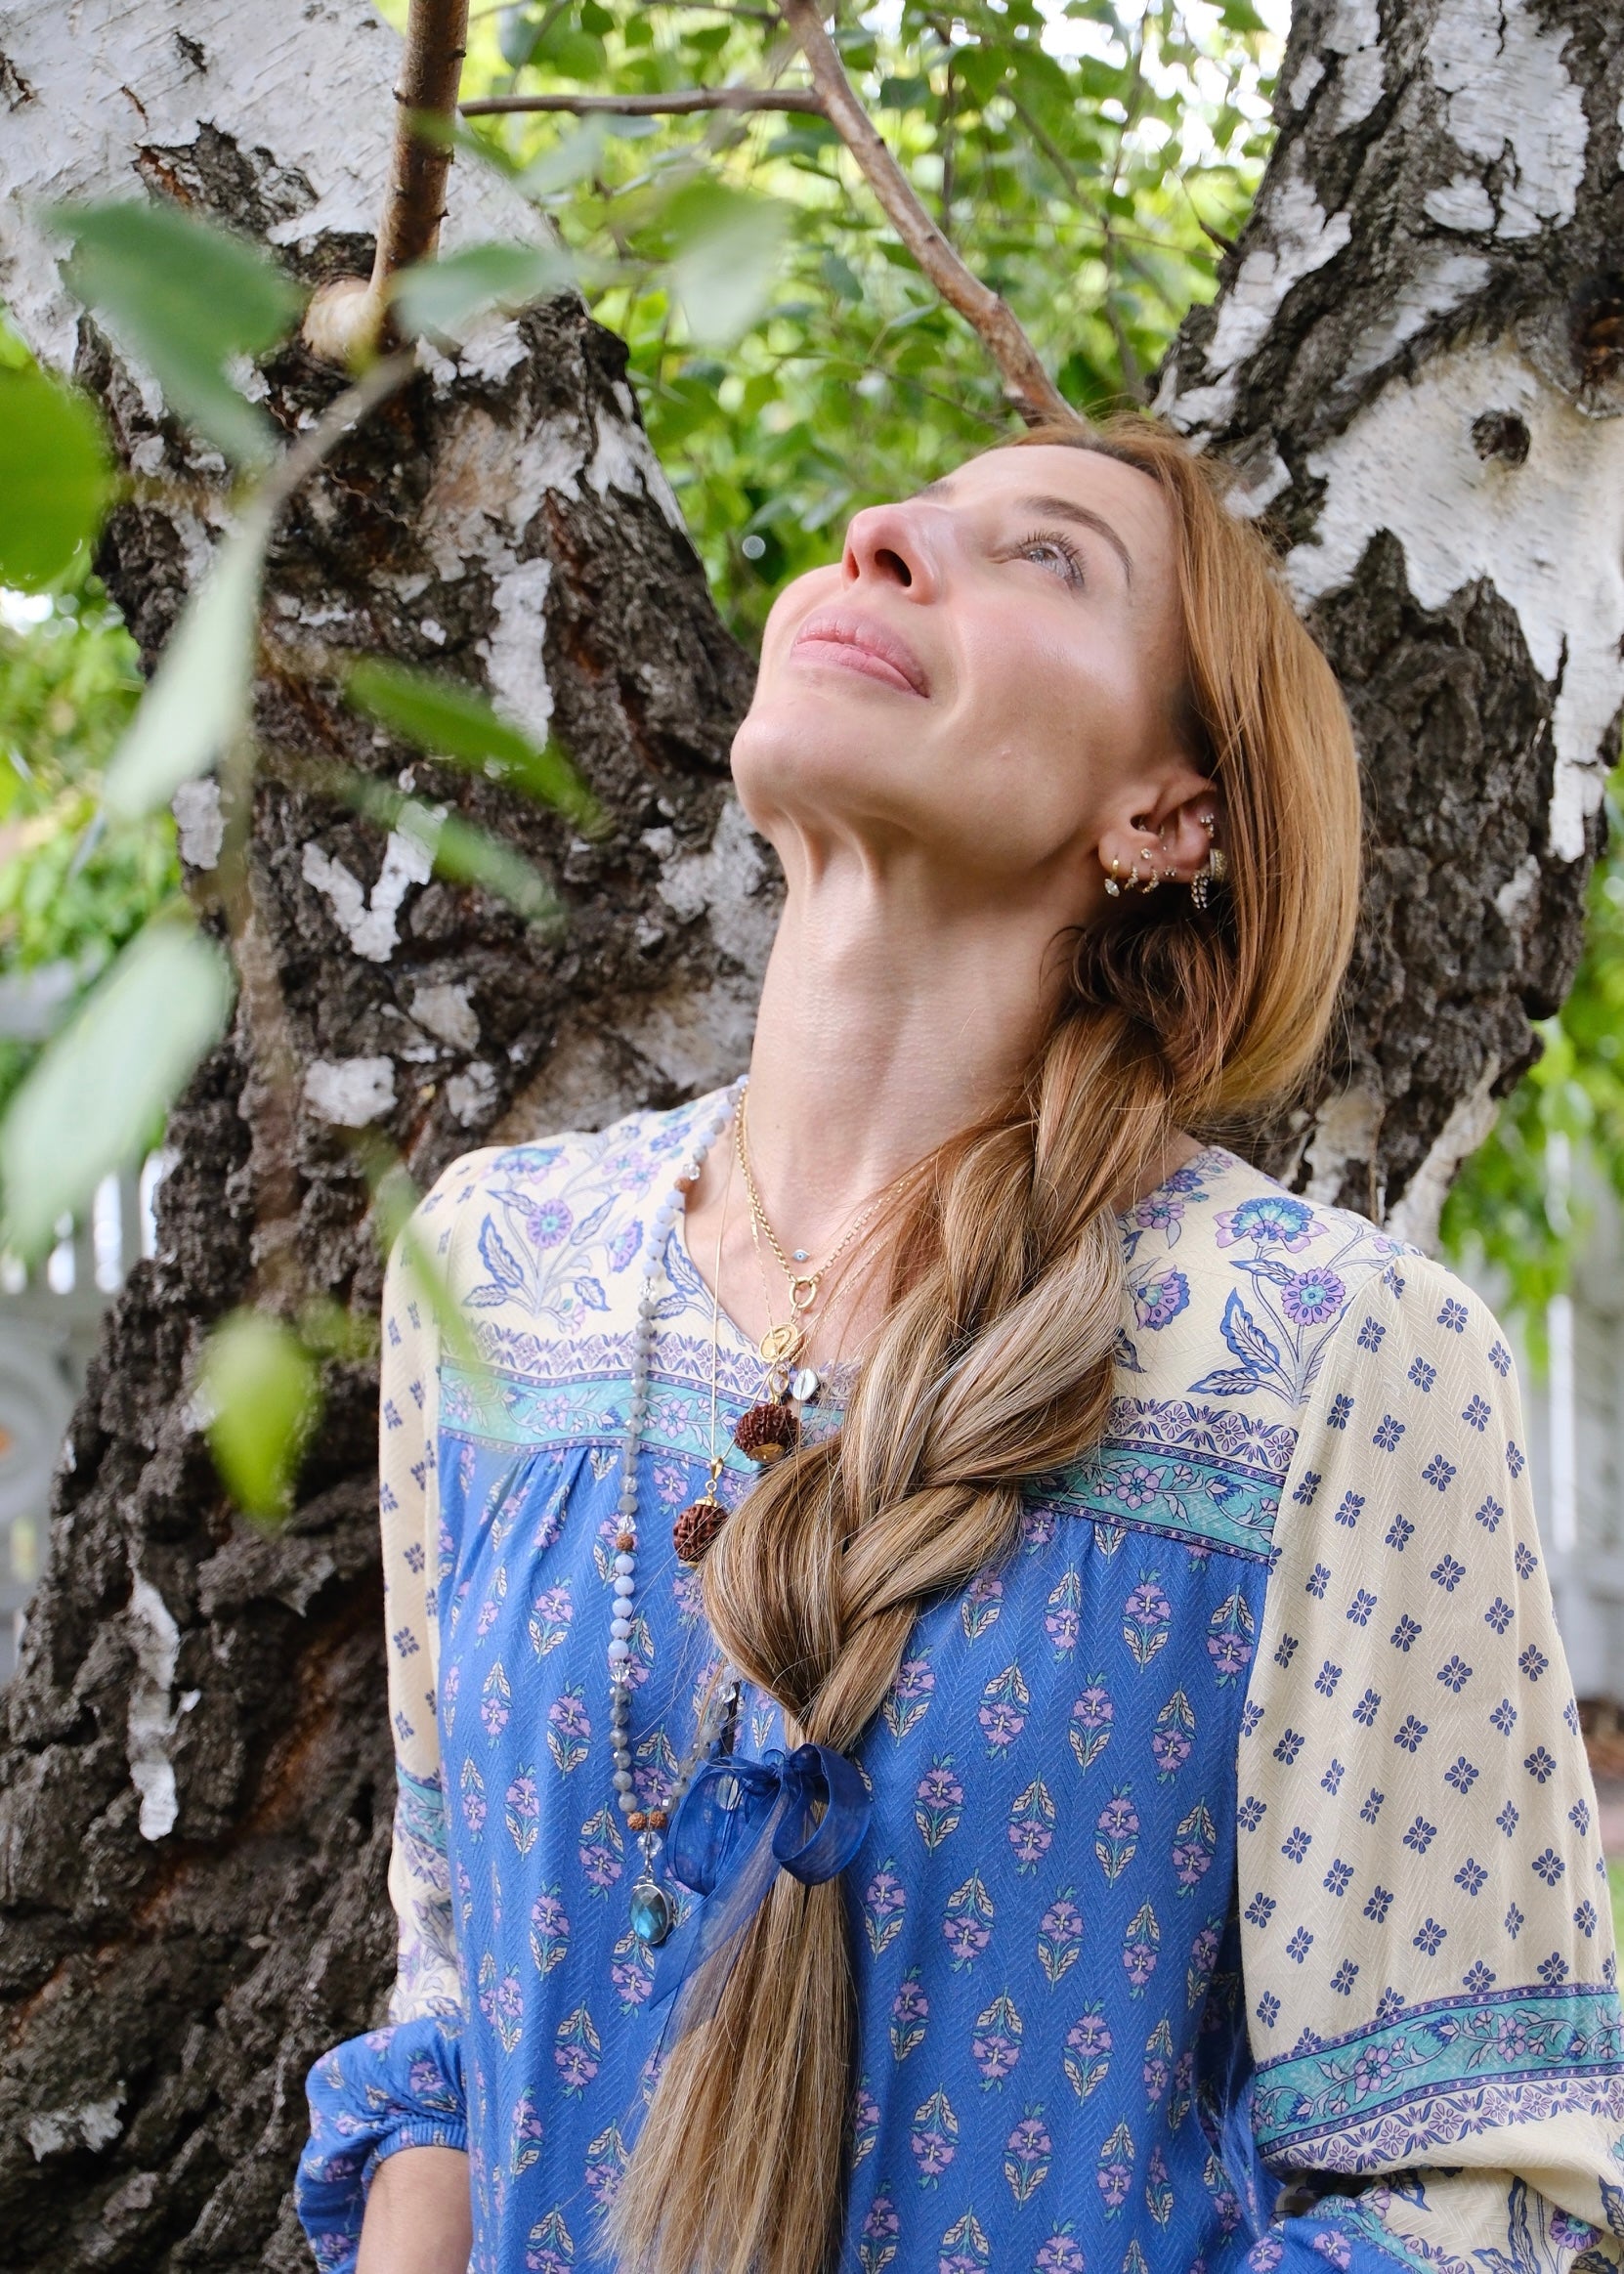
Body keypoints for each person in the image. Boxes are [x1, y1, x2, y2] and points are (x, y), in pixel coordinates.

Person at [296, 417, 1624, 2274]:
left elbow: (1471, 2200)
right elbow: (454, 2023)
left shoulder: (1333, 1361)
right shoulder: (495, 1270)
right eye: (904, 517)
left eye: (1047, 554)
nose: (882, 538)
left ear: (1167, 814)